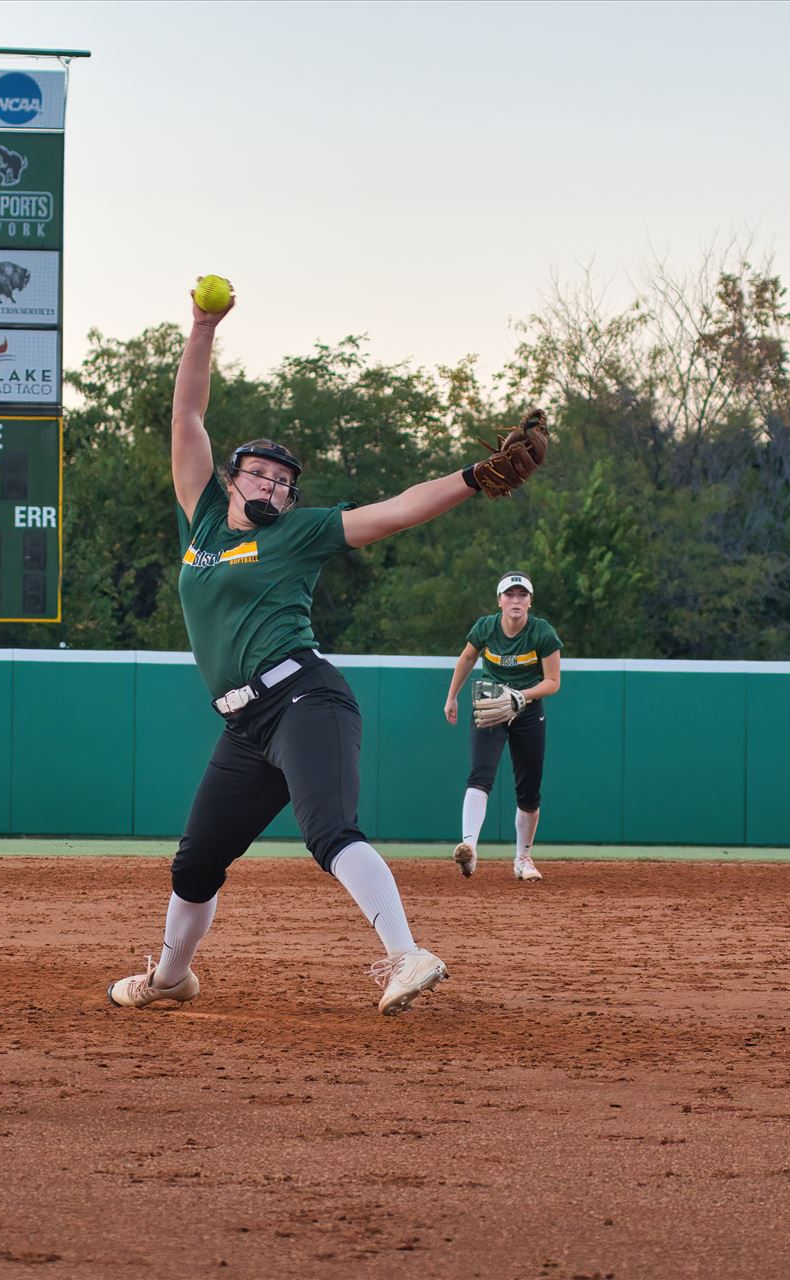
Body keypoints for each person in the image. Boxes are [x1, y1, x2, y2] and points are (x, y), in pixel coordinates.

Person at [108, 286, 549, 1015]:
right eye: (261, 474)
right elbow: (187, 415)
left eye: (285, 483)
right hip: (245, 726)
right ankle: (169, 979)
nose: (275, 486)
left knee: (328, 832)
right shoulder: (204, 526)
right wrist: (201, 328)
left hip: (305, 698)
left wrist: (473, 478)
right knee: (196, 862)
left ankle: (407, 955)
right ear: (230, 479)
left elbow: (398, 509)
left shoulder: (296, 533)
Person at [442, 573, 562, 881]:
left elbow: (552, 682)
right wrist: (452, 696)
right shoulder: (485, 627)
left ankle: (523, 858)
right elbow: (467, 658)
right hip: (491, 704)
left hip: (528, 710)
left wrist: (520, 696)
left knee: (529, 791)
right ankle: (469, 849)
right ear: (500, 601)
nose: (516, 600)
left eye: (522, 595)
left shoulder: (542, 632)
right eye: (510, 595)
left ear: (530, 601)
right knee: (480, 776)